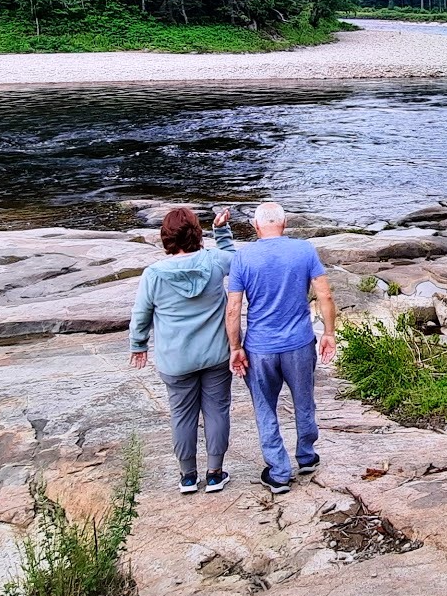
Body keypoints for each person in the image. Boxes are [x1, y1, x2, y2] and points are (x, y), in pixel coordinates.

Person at [225, 202, 337, 495]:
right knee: (304, 399)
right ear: (285, 224)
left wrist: (235, 347)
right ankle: (307, 456)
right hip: (299, 343)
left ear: (255, 226)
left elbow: (234, 308)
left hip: (260, 347)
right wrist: (329, 332)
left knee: (265, 408)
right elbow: (324, 294)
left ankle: (278, 472)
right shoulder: (304, 250)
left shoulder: (243, 256)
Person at [129, 206, 237, 495]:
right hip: (216, 354)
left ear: (166, 237)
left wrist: (138, 345)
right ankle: (215, 474)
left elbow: (141, 314)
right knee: (217, 411)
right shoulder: (214, 261)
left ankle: (188, 476)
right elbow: (238, 263)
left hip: (175, 360)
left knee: (181, 415)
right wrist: (222, 232)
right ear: (197, 233)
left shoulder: (153, 274)